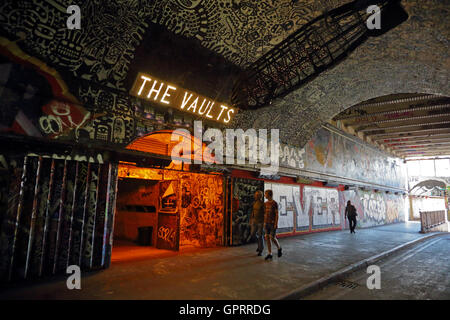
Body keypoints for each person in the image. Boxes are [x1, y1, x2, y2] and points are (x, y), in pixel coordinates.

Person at [263, 189, 282, 260]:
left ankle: (279, 248)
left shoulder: (274, 203)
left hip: (272, 223)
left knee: (272, 237)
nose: (265, 195)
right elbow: (265, 214)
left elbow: (277, 214)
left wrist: (276, 223)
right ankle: (269, 253)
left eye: (266, 194)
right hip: (266, 223)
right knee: (267, 237)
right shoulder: (265, 203)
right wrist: (264, 222)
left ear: (269, 195)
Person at [249, 191, 265, 255]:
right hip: (254, 221)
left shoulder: (263, 204)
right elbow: (253, 211)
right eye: (255, 195)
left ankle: (261, 249)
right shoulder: (255, 203)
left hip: (261, 222)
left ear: (259, 196)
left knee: (260, 236)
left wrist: (264, 222)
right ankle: (259, 245)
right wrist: (251, 219)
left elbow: (265, 214)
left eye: (256, 195)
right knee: (252, 234)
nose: (254, 196)